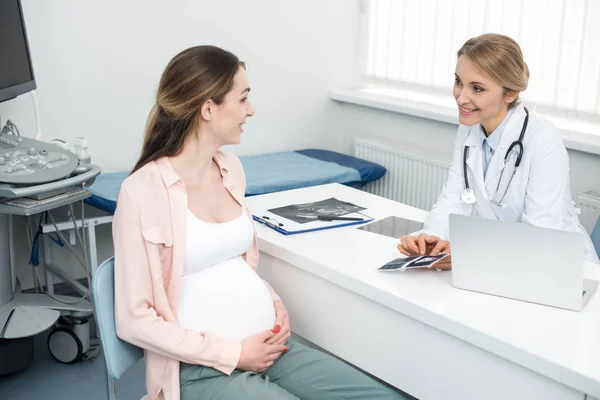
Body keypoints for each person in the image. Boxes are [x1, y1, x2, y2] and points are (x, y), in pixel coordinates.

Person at [112, 45, 407, 400]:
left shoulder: (230, 169)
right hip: (201, 371)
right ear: (208, 108)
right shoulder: (142, 192)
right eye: (243, 99)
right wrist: (235, 354)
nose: (250, 111)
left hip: (269, 347)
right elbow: (134, 320)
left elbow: (233, 265)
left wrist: (274, 304)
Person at [397, 33, 599, 267]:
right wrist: (432, 239)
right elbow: (454, 198)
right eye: (458, 81)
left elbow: (541, 234)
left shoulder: (543, 141)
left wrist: (467, 255)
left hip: (561, 268)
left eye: (478, 89)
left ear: (510, 93)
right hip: (503, 264)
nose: (462, 97)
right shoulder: (469, 129)